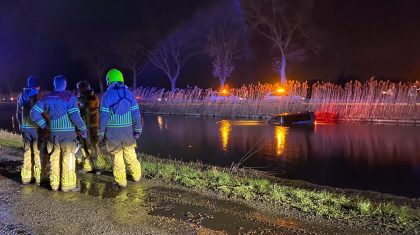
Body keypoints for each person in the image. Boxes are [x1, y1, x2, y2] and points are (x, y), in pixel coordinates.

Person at [30, 75, 87, 192]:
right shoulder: (70, 98)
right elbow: (75, 116)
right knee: (68, 158)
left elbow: (33, 113)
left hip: (53, 134)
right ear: (65, 85)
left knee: (54, 158)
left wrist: (44, 125)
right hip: (68, 135)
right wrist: (83, 128)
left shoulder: (46, 97)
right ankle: (67, 185)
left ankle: (54, 185)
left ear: (54, 84)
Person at [99, 69, 142, 188]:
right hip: (128, 131)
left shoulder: (107, 96)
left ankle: (121, 182)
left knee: (117, 157)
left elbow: (103, 117)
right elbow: (136, 114)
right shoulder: (129, 94)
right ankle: (136, 176)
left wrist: (101, 133)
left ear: (108, 80)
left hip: (113, 133)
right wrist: (138, 129)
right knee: (130, 153)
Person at [16, 76, 44, 185]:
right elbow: (42, 112)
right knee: (37, 151)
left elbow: (18, 112)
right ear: (37, 85)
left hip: (25, 127)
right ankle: (38, 176)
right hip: (36, 127)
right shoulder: (38, 96)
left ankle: (26, 176)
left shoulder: (21, 96)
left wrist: (20, 124)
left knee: (27, 151)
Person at [76, 81, 102, 173]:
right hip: (84, 127)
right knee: (84, 147)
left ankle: (98, 167)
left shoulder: (92, 98)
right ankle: (87, 166)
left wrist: (79, 106)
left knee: (93, 146)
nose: (78, 90)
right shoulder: (82, 98)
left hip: (92, 127)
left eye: (79, 88)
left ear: (84, 88)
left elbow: (87, 108)